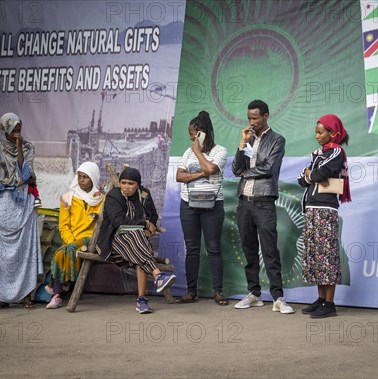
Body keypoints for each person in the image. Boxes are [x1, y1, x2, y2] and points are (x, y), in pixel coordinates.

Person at [231, 99, 294, 314]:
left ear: (266, 116)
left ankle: (278, 297)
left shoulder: (277, 140)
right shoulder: (248, 140)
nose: (252, 122)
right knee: (249, 250)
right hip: (244, 203)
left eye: (255, 118)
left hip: (264, 202)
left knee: (269, 250)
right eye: (249, 118)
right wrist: (242, 144)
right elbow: (235, 168)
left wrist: (245, 173)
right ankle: (254, 294)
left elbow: (269, 168)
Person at [96, 167, 176, 313]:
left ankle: (144, 297)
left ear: (138, 184)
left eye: (131, 183)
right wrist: (144, 224)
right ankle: (152, 284)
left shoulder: (144, 195)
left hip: (136, 246)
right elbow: (120, 222)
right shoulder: (113, 196)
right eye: (123, 183)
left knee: (138, 241)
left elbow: (153, 215)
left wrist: (150, 228)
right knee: (138, 240)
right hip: (114, 243)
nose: (126, 187)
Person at [0, 112, 43, 310]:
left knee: (24, 252)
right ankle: (1, 296)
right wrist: (10, 184)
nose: (17, 134)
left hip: (22, 207)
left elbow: (26, 175)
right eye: (13, 131)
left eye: (19, 130)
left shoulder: (27, 148)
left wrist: (18, 148)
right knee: (1, 254)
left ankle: (26, 295)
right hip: (0, 207)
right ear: (4, 131)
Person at [298, 114, 351, 318]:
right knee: (316, 257)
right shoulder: (318, 153)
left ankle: (330, 303)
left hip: (325, 210)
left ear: (333, 132)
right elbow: (302, 180)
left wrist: (310, 173)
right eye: (316, 132)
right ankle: (320, 299)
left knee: (326, 257)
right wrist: (310, 174)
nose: (317, 136)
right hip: (312, 209)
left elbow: (319, 174)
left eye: (321, 132)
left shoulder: (336, 151)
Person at [175, 111, 229, 306]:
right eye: (190, 134)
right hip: (188, 205)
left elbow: (211, 169)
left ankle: (218, 292)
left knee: (213, 249)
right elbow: (179, 177)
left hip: (212, 206)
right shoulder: (186, 152)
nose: (191, 138)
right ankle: (191, 291)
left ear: (203, 133)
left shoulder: (220, 151)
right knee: (192, 249)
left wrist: (198, 152)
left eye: (194, 134)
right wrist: (200, 173)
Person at [45, 161, 104, 309]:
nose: (81, 180)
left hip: (92, 240)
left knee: (69, 250)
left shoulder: (101, 199)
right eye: (80, 176)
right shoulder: (67, 198)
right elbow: (63, 226)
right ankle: (57, 295)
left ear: (94, 179)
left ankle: (59, 288)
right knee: (61, 253)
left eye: (86, 177)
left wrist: (106, 191)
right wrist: (71, 241)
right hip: (73, 241)